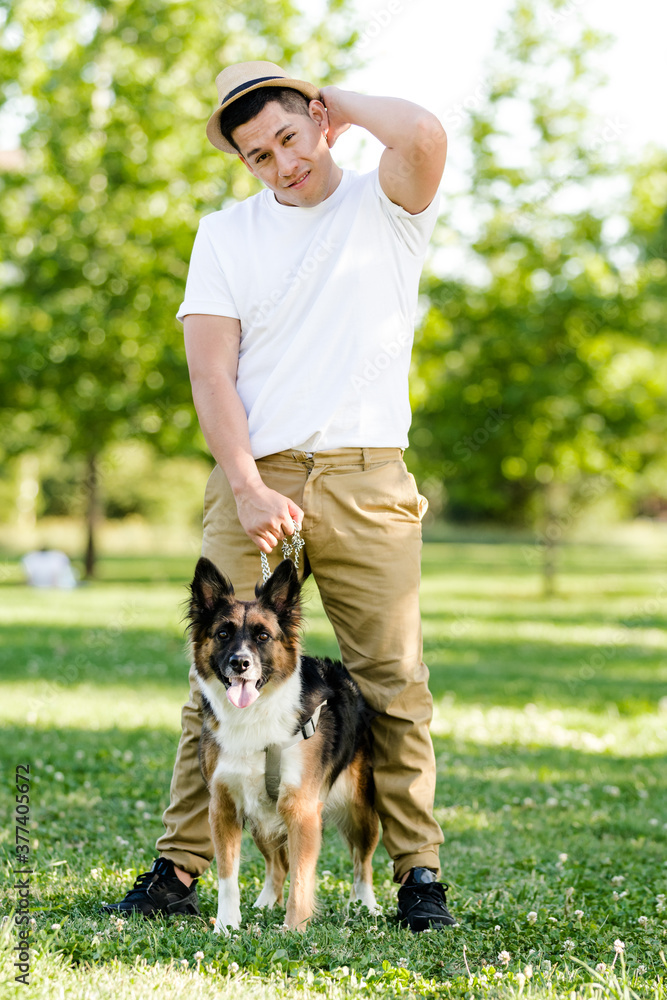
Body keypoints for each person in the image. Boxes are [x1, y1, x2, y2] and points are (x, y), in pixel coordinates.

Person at [103, 60, 454, 933]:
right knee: (215, 683)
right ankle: (180, 872)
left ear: (319, 118)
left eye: (289, 138)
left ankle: (418, 878)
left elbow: (421, 135)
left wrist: (335, 97)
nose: (280, 163)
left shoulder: (385, 205)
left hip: (368, 476)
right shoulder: (224, 234)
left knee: (392, 684)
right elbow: (210, 370)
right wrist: (250, 484)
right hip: (254, 475)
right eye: (257, 155)